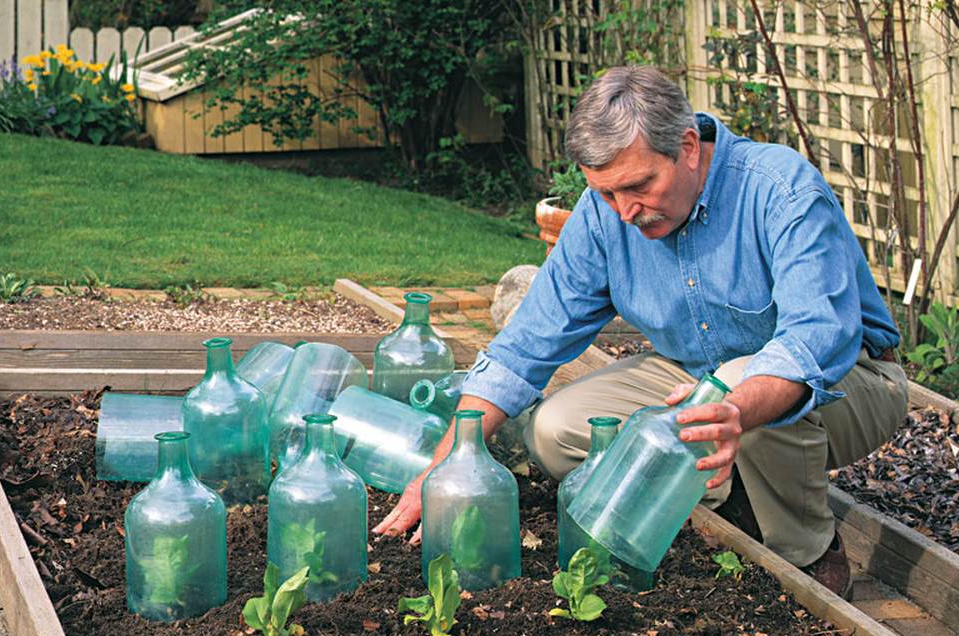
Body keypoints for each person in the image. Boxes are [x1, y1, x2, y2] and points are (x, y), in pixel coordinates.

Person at [374, 65, 908, 599]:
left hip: (849, 384)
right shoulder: (605, 215)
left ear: (688, 147)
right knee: (555, 429)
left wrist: (736, 410)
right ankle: (735, 495)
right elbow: (524, 346)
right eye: (607, 194)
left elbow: (814, 342)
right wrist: (447, 463)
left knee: (744, 382)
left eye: (638, 186)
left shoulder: (780, 191)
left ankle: (808, 554)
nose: (625, 211)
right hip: (691, 374)